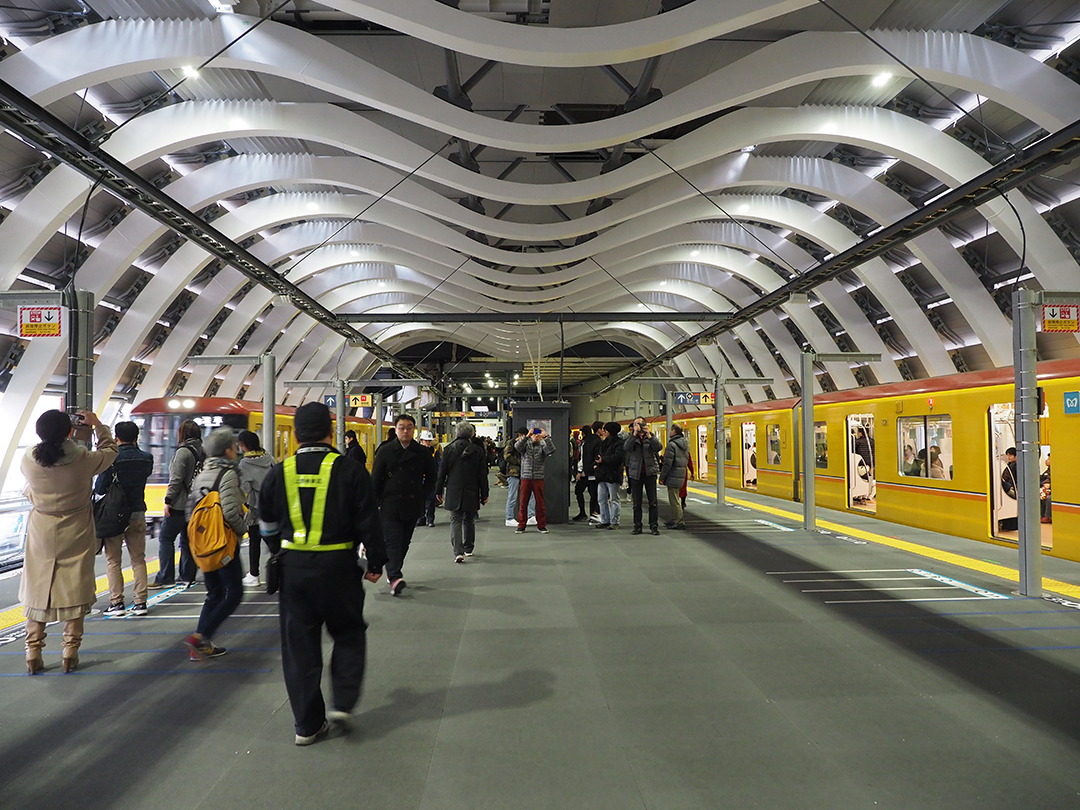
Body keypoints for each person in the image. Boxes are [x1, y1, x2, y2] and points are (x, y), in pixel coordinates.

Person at [259, 401, 388, 746]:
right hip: (339, 569)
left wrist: (279, 553)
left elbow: (266, 525)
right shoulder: (349, 470)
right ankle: (342, 703)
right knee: (348, 632)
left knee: (299, 647)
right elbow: (369, 522)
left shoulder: (279, 472)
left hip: (293, 572)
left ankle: (307, 725)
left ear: (297, 434)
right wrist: (375, 562)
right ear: (331, 432)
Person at [21, 410, 117, 674]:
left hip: (41, 529)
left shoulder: (28, 460)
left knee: (37, 588)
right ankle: (69, 651)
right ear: (70, 432)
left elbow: (29, 489)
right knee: (76, 587)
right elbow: (110, 450)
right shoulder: (83, 460)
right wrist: (97, 426)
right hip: (77, 527)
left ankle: (33, 652)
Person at [182, 428, 246, 661]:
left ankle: (202, 643)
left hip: (203, 543)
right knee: (234, 593)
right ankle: (200, 638)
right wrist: (243, 529)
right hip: (223, 543)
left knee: (214, 593)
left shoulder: (202, 475)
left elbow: (191, 512)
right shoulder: (228, 474)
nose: (235, 450)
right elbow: (229, 511)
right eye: (233, 446)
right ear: (227, 450)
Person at [371, 413, 437, 595]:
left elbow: (432, 476)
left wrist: (424, 494)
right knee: (392, 541)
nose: (405, 431)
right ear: (396, 429)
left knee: (404, 542)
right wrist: (372, 503)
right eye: (401, 428)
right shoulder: (385, 451)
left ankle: (393, 571)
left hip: (413, 503)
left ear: (414, 430)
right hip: (390, 503)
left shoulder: (422, 453)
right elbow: (375, 478)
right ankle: (394, 577)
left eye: (409, 427)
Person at [98, 420, 154, 617]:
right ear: (136, 437)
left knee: (113, 560)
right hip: (137, 512)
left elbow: (100, 488)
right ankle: (141, 602)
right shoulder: (147, 458)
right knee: (138, 559)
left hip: (114, 515)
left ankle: (117, 602)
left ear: (116, 437)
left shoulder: (111, 459)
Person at [149, 420, 204, 589]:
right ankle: (187, 576)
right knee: (188, 541)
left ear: (182, 434)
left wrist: (168, 501)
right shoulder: (205, 452)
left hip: (180, 505)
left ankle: (165, 577)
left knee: (166, 539)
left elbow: (176, 480)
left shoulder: (183, 452)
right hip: (197, 503)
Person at [436, 422, 489, 562]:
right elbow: (483, 474)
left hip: (454, 489)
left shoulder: (448, 449)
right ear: (472, 434)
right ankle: (468, 548)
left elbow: (441, 473)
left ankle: (457, 552)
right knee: (469, 519)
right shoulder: (477, 451)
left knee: (455, 520)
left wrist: (438, 490)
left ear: (457, 433)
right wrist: (485, 493)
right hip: (472, 489)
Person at [238, 430, 274, 588]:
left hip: (256, 505)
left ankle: (254, 574)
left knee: (255, 539)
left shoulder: (245, 464)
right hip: (272, 503)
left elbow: (244, 487)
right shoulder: (268, 456)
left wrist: (246, 502)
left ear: (243, 445)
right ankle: (281, 564)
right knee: (271, 536)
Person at [624, 416, 662, 536]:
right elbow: (626, 448)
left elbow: (658, 447)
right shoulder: (632, 438)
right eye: (635, 424)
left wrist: (650, 436)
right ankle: (637, 526)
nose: (638, 426)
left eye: (639, 424)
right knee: (637, 502)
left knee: (653, 502)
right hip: (636, 473)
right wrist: (634, 434)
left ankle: (654, 526)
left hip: (650, 472)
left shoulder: (650, 437)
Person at [515, 426, 555, 534]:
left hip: (538, 478)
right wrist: (527, 436)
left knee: (540, 503)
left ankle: (541, 525)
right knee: (523, 502)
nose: (536, 436)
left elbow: (552, 450)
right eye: (534, 434)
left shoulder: (543, 445)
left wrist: (546, 437)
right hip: (526, 477)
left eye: (538, 434)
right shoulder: (525, 445)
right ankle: (521, 525)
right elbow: (517, 446)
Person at [594, 422, 625, 530]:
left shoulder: (619, 443)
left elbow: (618, 458)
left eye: (605, 430)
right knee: (601, 499)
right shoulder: (604, 442)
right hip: (603, 474)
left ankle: (614, 521)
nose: (603, 432)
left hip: (613, 475)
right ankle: (605, 520)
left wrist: (603, 460)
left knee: (614, 499)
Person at [659, 424, 690, 530]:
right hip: (680, 474)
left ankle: (679, 521)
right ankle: (674, 519)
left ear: (674, 432)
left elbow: (668, 464)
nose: (668, 432)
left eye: (670, 430)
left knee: (674, 500)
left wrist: (662, 477)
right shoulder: (685, 444)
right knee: (675, 499)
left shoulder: (671, 445)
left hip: (673, 475)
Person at [503, 427, 535, 527]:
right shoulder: (511, 443)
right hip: (514, 472)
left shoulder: (527, 444)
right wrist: (520, 462)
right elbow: (506, 456)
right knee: (512, 495)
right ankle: (509, 517)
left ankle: (531, 515)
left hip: (525, 473)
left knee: (530, 494)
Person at [572, 424, 601, 522]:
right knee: (594, 494)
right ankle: (594, 514)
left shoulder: (584, 443)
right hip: (594, 472)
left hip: (585, 472)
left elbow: (582, 458)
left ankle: (583, 513)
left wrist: (579, 471)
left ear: (583, 433)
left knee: (579, 491)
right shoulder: (597, 441)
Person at [416, 430, 441, 528]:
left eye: (429, 441)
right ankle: (421, 518)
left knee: (430, 500)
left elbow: (439, 465)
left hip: (430, 480)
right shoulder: (416, 452)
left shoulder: (435, 452)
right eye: (426, 441)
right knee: (419, 500)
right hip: (419, 479)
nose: (428, 443)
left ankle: (430, 519)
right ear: (421, 441)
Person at [1041, 454, 1052, 524]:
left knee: (1049, 498)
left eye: (1048, 459)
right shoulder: (1047, 471)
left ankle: (1048, 516)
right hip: (1045, 488)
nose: (1046, 460)